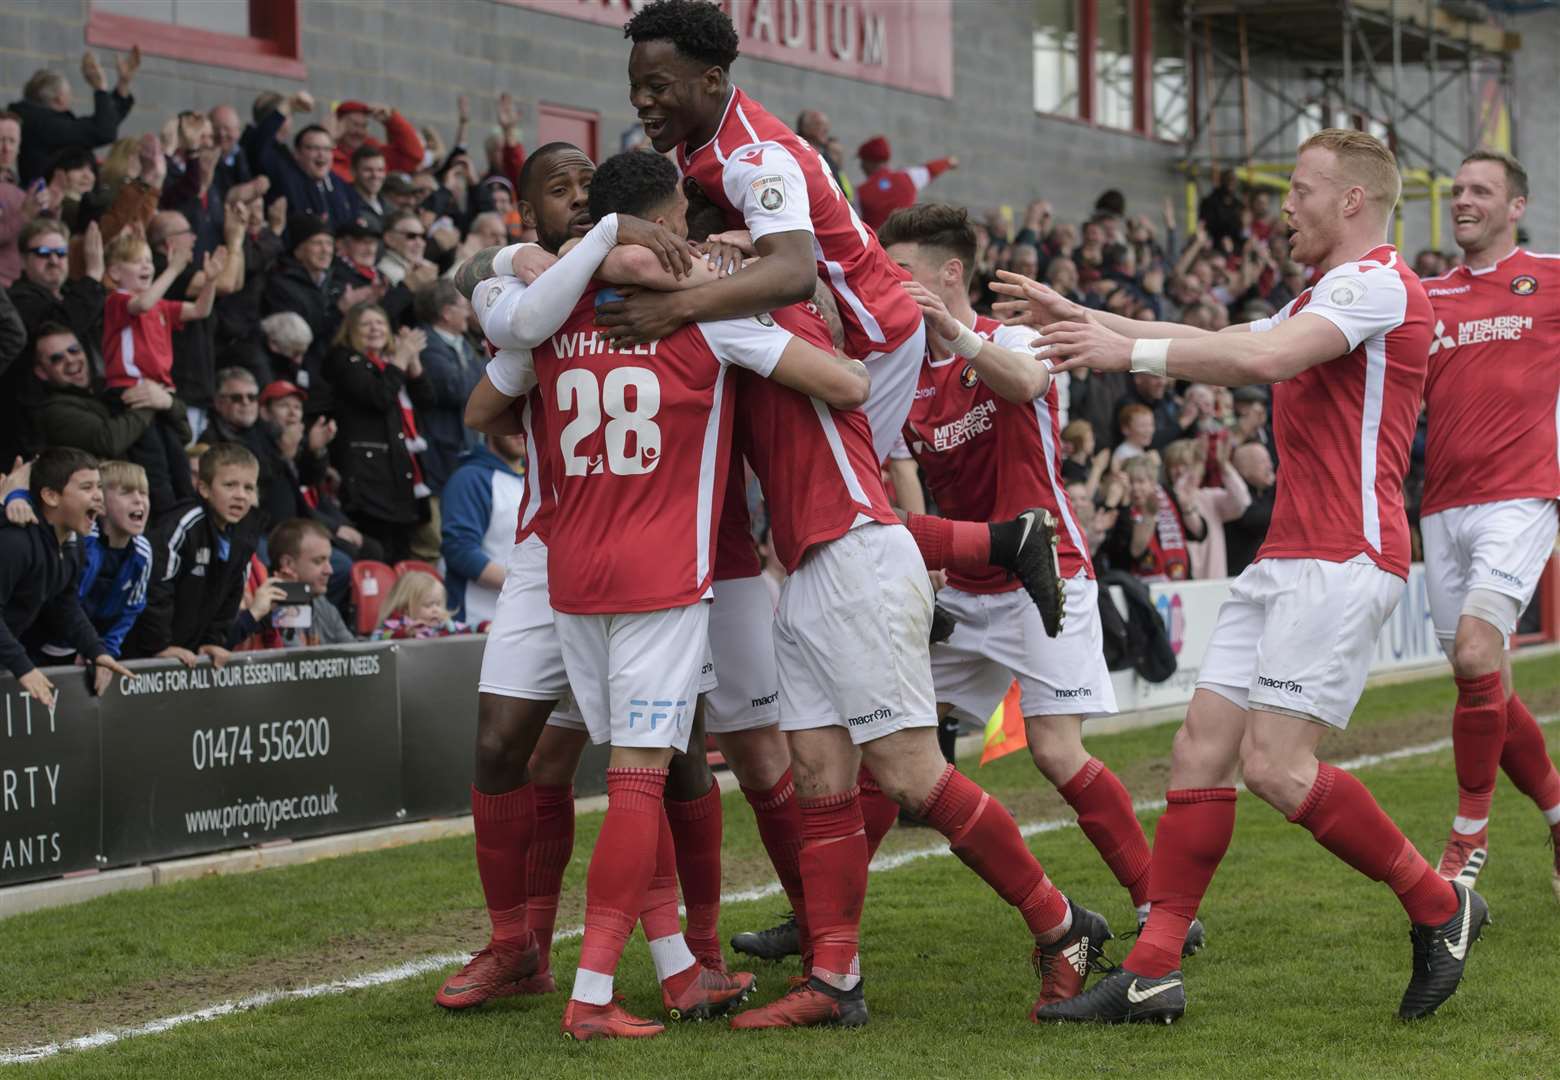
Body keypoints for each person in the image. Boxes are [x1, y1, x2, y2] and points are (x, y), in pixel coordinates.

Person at [998, 128, 1483, 1023]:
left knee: (1277, 767)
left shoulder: (1378, 283)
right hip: (1291, 556)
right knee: (1200, 751)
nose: (1282, 206)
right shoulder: (1327, 292)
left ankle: (1440, 904)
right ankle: (1152, 970)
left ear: (1351, 201)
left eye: (1300, 190)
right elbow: (1213, 335)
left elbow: (1262, 361)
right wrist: (1083, 319)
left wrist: (1123, 353)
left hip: (1345, 553)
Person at [474, 150, 894, 1040]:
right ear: (666, 218)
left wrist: (511, 272)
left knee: (645, 772)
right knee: (645, 779)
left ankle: (678, 968)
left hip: (570, 574)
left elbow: (483, 404)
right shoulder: (707, 312)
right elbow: (849, 385)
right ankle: (591, 995)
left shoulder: (545, 317)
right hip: (665, 575)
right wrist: (775, 300)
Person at [614, 0, 1065, 627]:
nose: (641, 100)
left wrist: (683, 306)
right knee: (835, 504)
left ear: (711, 80)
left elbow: (793, 269)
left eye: (657, 86)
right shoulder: (706, 140)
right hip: (851, 324)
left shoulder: (754, 156)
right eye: (635, 85)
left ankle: (930, 584)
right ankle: (949, 574)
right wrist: (738, 241)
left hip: (875, 334)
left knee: (837, 512)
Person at [879, 203, 1182, 968]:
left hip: (1047, 572)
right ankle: (822, 924)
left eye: (904, 270)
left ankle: (1159, 905)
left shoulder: (1007, 336)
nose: (891, 283)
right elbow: (899, 463)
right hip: (968, 586)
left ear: (951, 274)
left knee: (1054, 752)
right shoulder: (903, 367)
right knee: (885, 748)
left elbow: (1022, 382)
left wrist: (955, 333)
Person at [1417, 149, 1560, 897]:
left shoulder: (1554, 277)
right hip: (1441, 506)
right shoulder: (1424, 294)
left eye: (1481, 191)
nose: (1463, 200)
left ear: (1517, 207)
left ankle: (1468, 836)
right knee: (1487, 686)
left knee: (1476, 655)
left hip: (1521, 496)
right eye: (1457, 190)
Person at [0, 448, 134, 707]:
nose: (98, 496)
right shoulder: (14, 542)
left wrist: (95, 650)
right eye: (86, 487)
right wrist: (23, 667)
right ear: (51, 496)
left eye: (99, 486)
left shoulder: (74, 544)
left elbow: (64, 605)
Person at [123, 441, 261, 667]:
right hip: (141, 652)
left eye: (249, 488)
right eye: (230, 485)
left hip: (190, 655)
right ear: (204, 489)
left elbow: (231, 598)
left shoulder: (245, 537)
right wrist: (160, 646)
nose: (240, 495)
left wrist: (213, 641)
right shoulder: (184, 524)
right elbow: (156, 587)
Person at [325, 304, 431, 562]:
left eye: (380, 323)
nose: (375, 329)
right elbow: (378, 396)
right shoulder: (344, 360)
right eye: (366, 324)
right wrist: (400, 359)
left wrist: (412, 360)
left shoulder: (390, 364)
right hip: (368, 482)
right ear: (351, 330)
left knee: (403, 555)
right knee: (379, 555)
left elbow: (427, 400)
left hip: (400, 478)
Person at [38, 459, 153, 661]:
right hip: (40, 644)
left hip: (89, 651)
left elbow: (131, 610)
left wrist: (105, 650)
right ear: (101, 504)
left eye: (143, 493)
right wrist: (87, 646)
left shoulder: (143, 551)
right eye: (126, 492)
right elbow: (61, 603)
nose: (138, 500)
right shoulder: (81, 543)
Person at [9, 49, 138, 185]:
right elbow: (103, 131)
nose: (72, 98)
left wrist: (123, 85)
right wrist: (100, 88)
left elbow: (105, 124)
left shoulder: (39, 120)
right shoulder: (45, 125)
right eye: (69, 93)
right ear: (59, 98)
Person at [439, 429, 523, 626]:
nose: (520, 429)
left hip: (528, 617)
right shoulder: (469, 478)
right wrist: (525, 584)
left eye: (527, 420)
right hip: (480, 622)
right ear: (491, 426)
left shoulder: (536, 480)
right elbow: (460, 551)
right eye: (512, 421)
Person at [229, 517, 353, 649]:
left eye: (328, 560)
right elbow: (296, 661)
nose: (330, 570)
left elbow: (356, 654)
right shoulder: (270, 605)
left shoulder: (322, 604)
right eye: (318, 561)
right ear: (287, 563)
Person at [414, 280, 485, 494]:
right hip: (442, 453)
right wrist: (489, 365)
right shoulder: (427, 346)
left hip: (466, 445)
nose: (468, 311)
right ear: (446, 312)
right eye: (463, 305)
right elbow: (457, 389)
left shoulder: (463, 343)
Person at [1163, 436, 1249, 581]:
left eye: (1185, 464)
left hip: (1212, 581)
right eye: (1174, 465)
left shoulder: (1210, 497)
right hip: (1178, 581)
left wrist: (1224, 466)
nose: (1179, 470)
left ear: (1198, 467)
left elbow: (1242, 502)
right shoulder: (1164, 500)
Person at [853, 135, 958, 232]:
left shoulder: (860, 192)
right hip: (905, 240)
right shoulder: (908, 177)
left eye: (862, 161)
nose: (861, 167)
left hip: (877, 246)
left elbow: (856, 224)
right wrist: (949, 162)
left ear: (868, 161)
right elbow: (931, 169)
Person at [331, 100, 424, 184]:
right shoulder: (326, 157)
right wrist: (329, 138)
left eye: (364, 126)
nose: (359, 132)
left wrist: (392, 120)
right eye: (355, 125)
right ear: (338, 125)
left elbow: (413, 157)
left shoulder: (375, 154)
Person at [372, 570, 472, 639]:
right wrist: (403, 634)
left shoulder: (445, 625)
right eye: (428, 605)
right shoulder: (396, 625)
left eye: (438, 604)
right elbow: (376, 638)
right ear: (406, 608)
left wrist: (482, 627)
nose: (435, 610)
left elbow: (466, 629)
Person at [1224, 441, 1275, 575]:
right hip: (1236, 578)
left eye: (1269, 460)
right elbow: (1254, 519)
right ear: (1244, 467)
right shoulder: (1232, 495)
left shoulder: (1267, 493)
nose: (1270, 466)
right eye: (1262, 461)